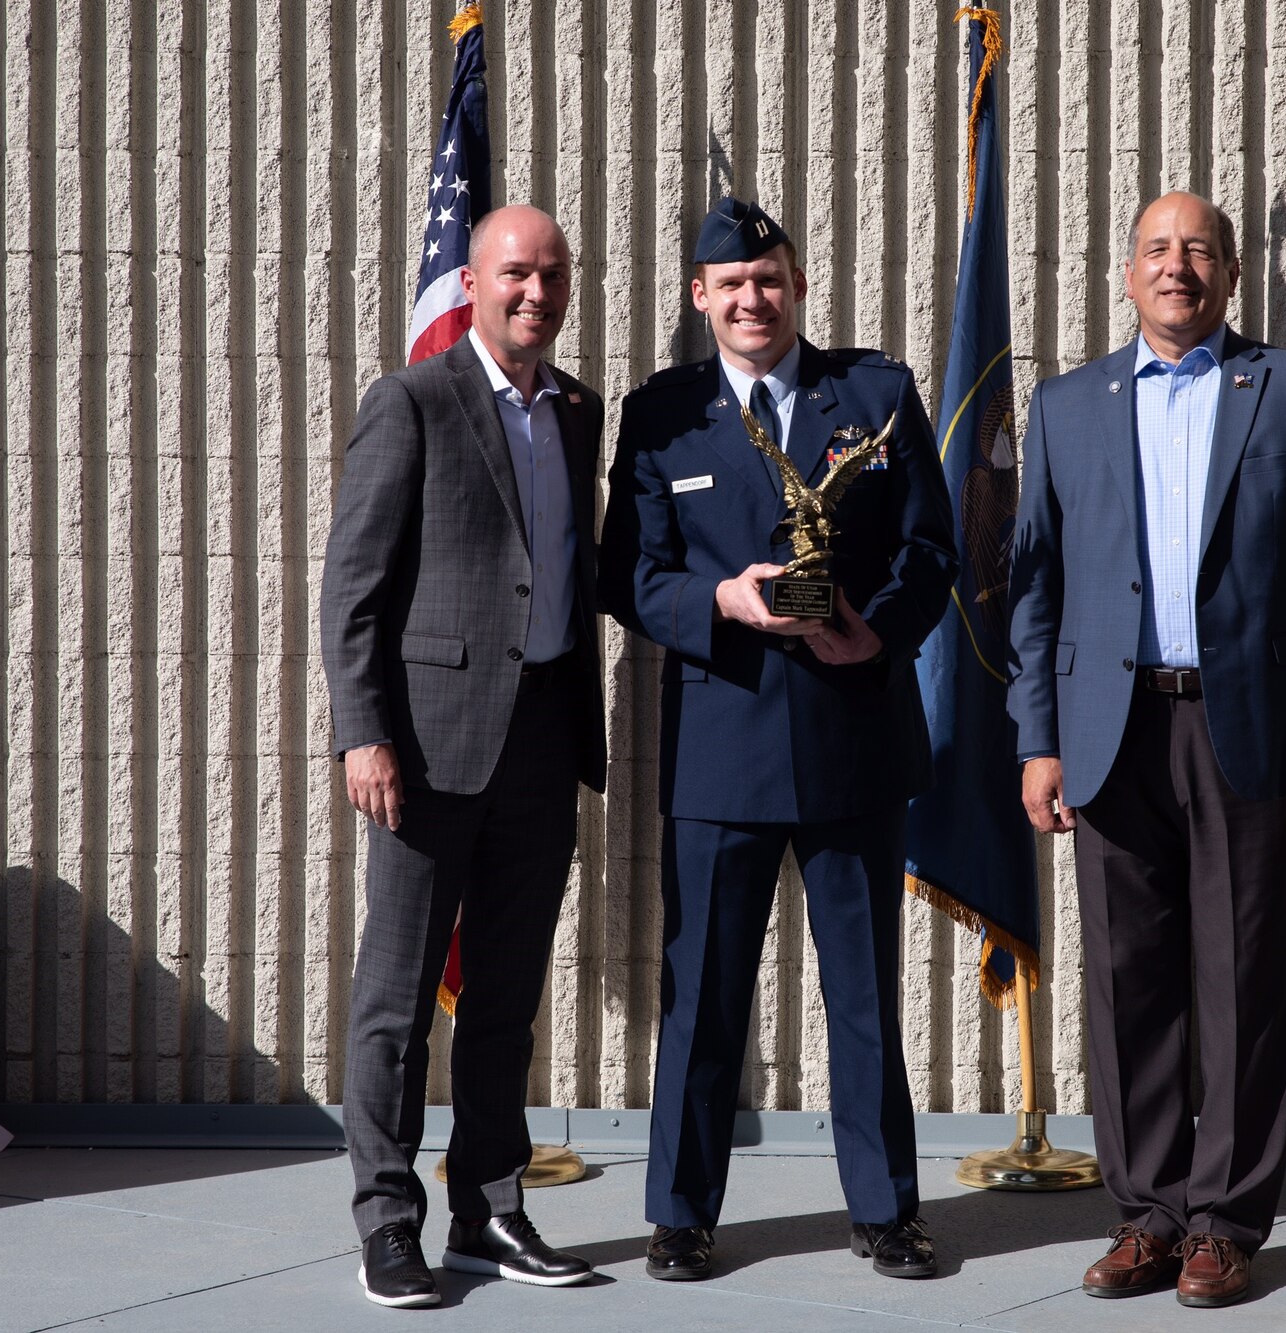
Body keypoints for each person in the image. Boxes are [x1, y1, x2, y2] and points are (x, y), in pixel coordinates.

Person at [1007, 190, 1286, 1308]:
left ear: (1227, 275)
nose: (1177, 268)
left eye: (1199, 252)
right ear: (1126, 276)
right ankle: (1147, 1212)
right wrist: (1036, 737)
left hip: (1253, 729)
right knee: (1130, 981)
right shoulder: (1065, 405)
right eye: (1156, 251)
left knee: (1243, 975)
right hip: (1107, 730)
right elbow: (1034, 585)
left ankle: (1223, 1219)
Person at [599, 197, 957, 1283]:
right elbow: (626, 572)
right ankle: (680, 1211)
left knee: (863, 997)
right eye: (731, 283)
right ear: (698, 298)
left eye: (770, 278)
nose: (753, 298)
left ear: (797, 287)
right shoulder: (662, 415)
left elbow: (930, 551)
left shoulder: (874, 396)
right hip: (723, 746)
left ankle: (885, 1209)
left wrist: (874, 634)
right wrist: (722, 601)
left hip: (851, 735)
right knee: (702, 995)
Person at [320, 204, 606, 1308]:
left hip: (541, 738)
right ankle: (388, 1222)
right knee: (394, 1001)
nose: (535, 293)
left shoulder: (576, 412)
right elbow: (353, 590)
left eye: (552, 276)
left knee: (506, 995)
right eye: (515, 275)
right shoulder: (413, 402)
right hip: (425, 750)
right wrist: (363, 732)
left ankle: (489, 1207)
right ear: (475, 283)